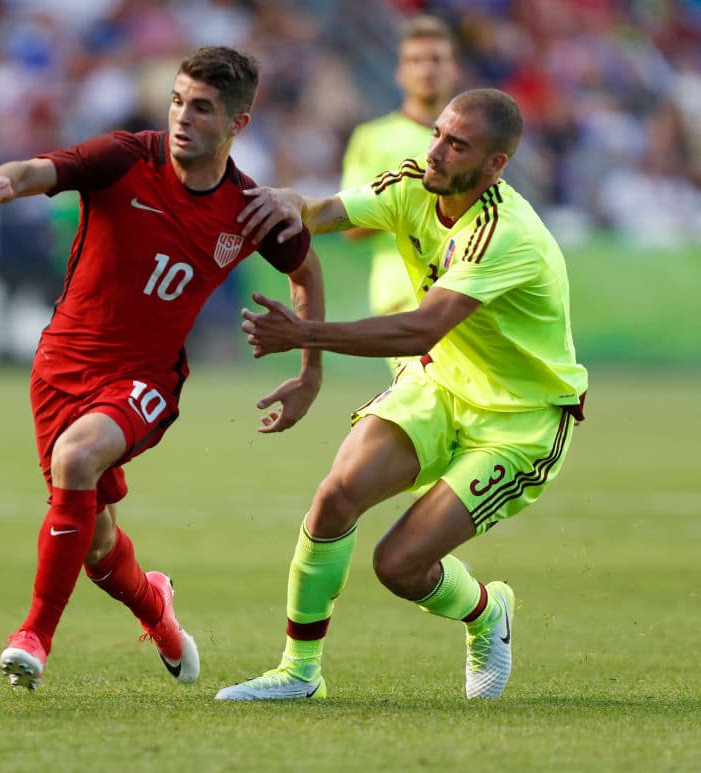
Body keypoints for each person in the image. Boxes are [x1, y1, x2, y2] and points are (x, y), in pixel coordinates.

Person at [0, 46, 324, 692]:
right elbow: (42, 169)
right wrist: (5, 181)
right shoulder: (127, 156)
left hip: (145, 381)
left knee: (76, 460)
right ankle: (157, 608)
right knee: (98, 548)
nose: (182, 117)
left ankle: (34, 634)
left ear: (237, 123)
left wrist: (310, 365)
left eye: (202, 108)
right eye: (178, 101)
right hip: (59, 368)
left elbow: (304, 267)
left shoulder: (249, 208)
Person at [215, 88, 588, 702]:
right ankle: (299, 672)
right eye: (438, 133)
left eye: (456, 145)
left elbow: (420, 327)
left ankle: (488, 611)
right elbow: (332, 212)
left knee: (398, 565)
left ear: (495, 165)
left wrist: (304, 335)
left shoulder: (505, 233)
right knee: (336, 496)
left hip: (521, 420)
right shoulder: (418, 180)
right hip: (440, 383)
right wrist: (294, 205)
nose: (435, 151)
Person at [339, 15, 459, 375]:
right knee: (424, 404)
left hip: (464, 288)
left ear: (455, 69)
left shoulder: (473, 143)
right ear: (400, 74)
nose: (427, 70)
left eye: (437, 59)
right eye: (416, 61)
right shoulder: (374, 138)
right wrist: (412, 196)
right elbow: (351, 225)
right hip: (404, 292)